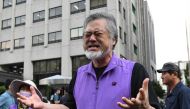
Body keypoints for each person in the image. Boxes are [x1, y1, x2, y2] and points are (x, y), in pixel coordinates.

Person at [16, 12, 160, 109]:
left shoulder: (135, 71)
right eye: (87, 35)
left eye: (98, 34)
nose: (91, 39)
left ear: (114, 40)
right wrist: (44, 105)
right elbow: (68, 107)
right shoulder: (79, 74)